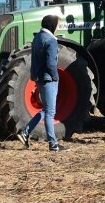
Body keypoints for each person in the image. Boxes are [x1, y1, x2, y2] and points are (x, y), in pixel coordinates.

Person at [16, 14, 67, 152]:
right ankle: (53, 144)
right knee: (50, 112)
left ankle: (25, 132)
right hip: (49, 79)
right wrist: (56, 77)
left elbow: (34, 60)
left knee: (46, 110)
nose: (58, 27)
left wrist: (34, 76)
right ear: (52, 25)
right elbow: (51, 63)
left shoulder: (37, 37)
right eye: (58, 24)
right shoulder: (51, 40)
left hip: (39, 78)